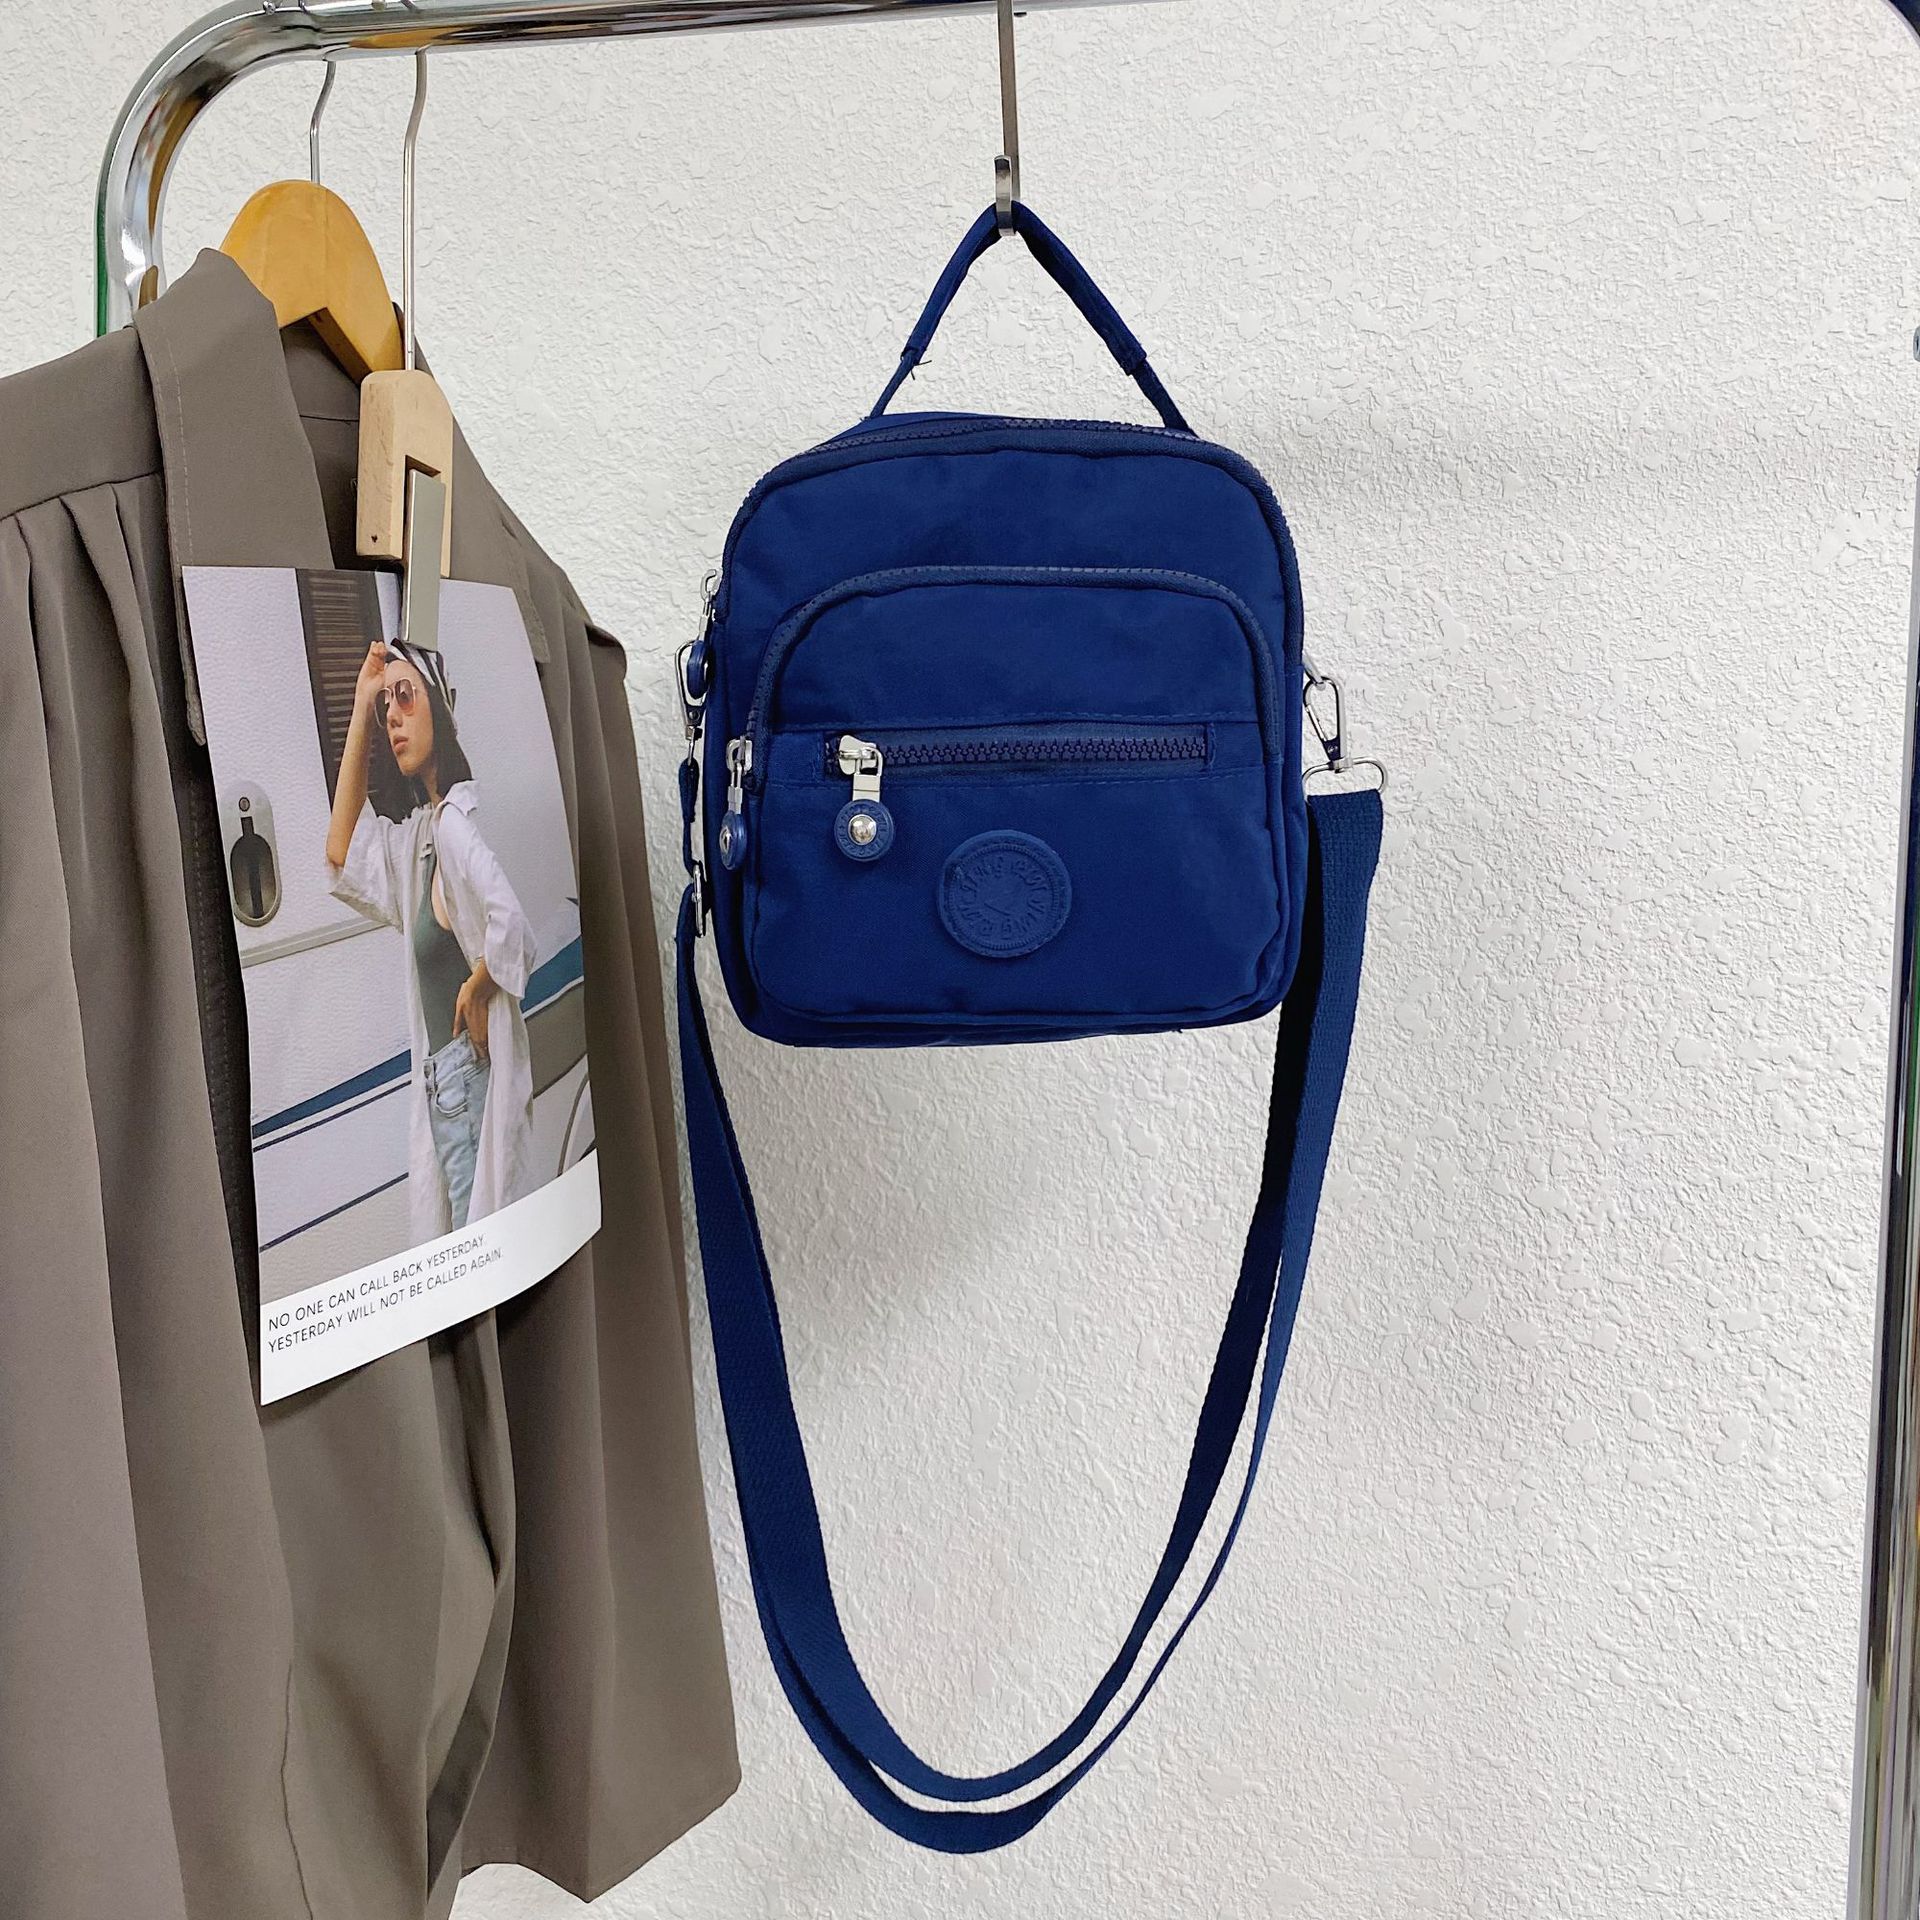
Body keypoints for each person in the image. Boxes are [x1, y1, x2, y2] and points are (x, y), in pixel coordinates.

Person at [326, 636, 536, 1238]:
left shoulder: (453, 831)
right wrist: (362, 703)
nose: (393, 715)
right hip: (447, 1082)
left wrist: (478, 985)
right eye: (386, 706)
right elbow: (342, 850)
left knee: (473, 1257)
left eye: (406, 697)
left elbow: (512, 924)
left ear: (438, 712)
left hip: (464, 1079)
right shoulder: (422, 837)